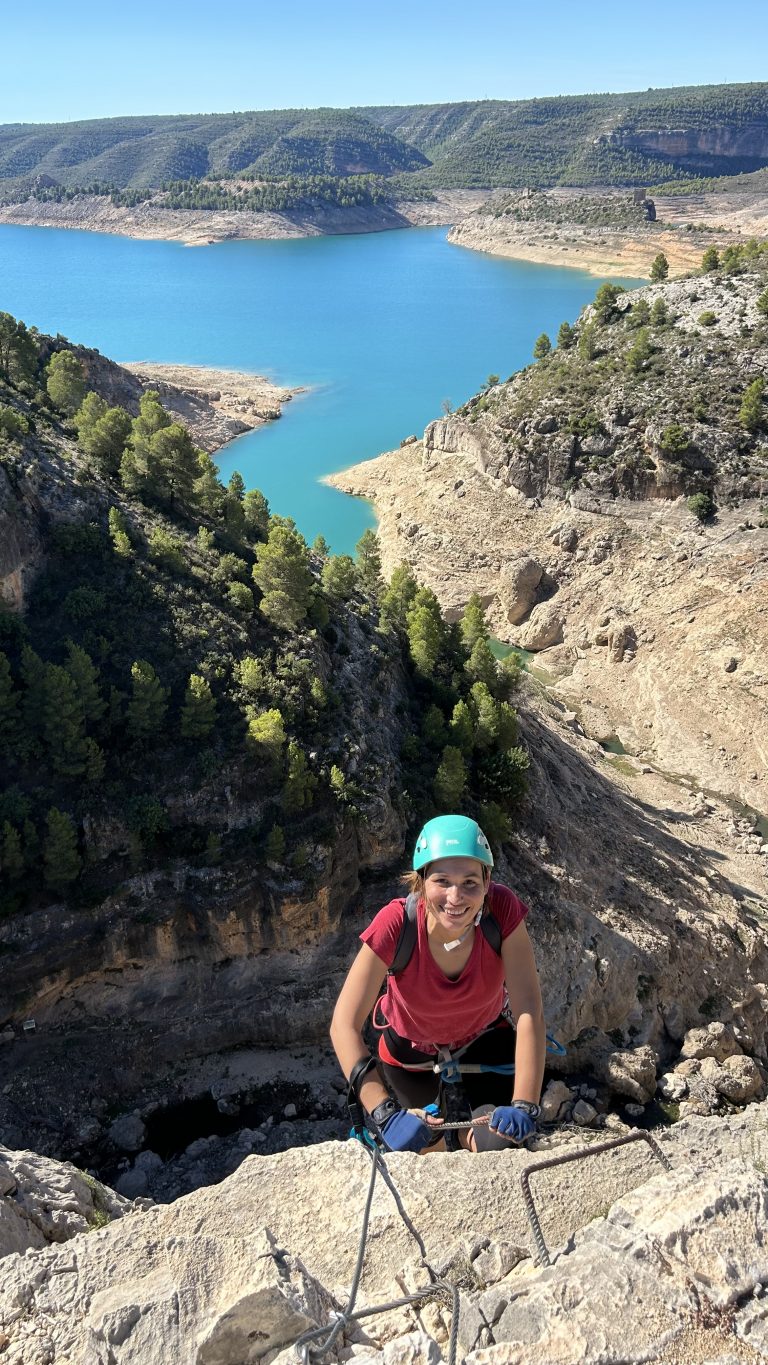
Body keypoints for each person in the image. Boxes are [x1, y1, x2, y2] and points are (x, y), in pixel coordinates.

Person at [330, 814, 545, 1153]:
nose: (456, 897)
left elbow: (528, 1007)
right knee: (421, 1144)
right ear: (422, 881)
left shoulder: (501, 912)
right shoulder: (396, 925)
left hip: (486, 1040)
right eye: (442, 881)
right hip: (411, 1055)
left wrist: (525, 1104)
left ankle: (464, 1139)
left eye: (470, 882)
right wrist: (384, 1112)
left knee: (496, 1142)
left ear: (487, 882)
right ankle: (450, 1140)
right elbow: (343, 1025)